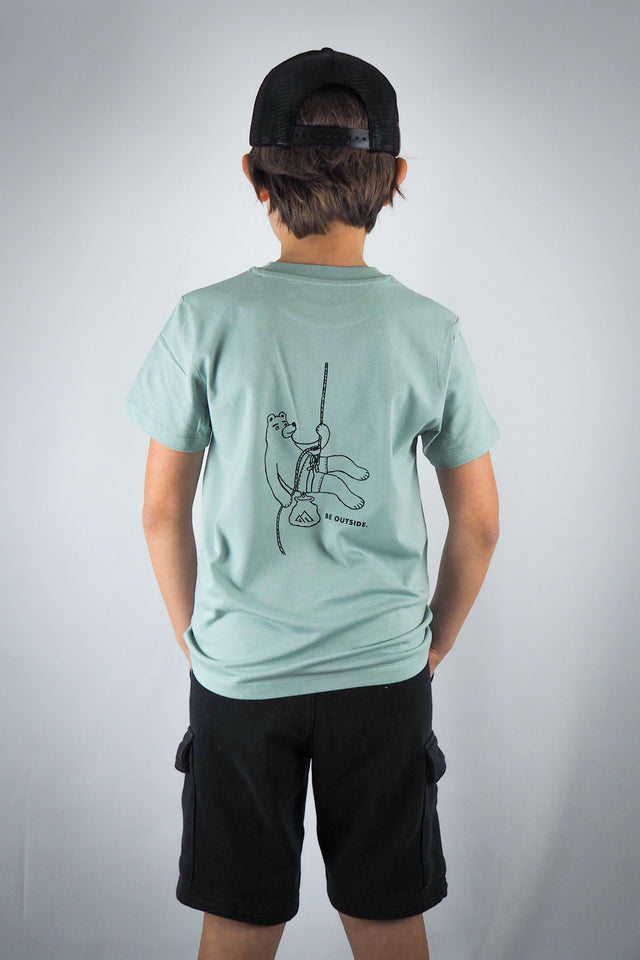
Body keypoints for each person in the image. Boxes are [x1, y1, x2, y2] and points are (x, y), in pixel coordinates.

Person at [122, 47, 501, 960]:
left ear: (254, 174)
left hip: (242, 677)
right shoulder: (430, 331)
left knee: (239, 921)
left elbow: (161, 511)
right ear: (395, 177)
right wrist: (434, 643)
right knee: (386, 917)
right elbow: (481, 522)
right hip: (382, 674)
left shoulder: (204, 320)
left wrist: (200, 640)